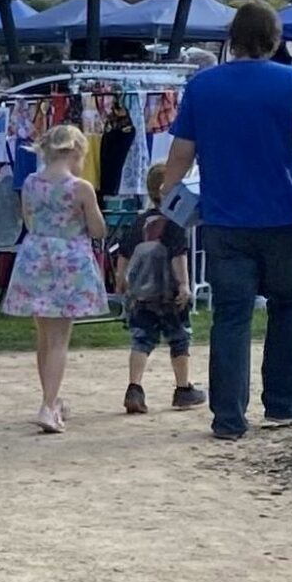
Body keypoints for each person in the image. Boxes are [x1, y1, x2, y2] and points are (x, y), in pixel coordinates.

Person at [159, 1, 292, 442]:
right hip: (286, 216)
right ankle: (283, 402)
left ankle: (228, 417)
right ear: (274, 40)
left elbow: (180, 153)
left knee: (231, 316)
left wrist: (167, 201)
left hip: (225, 219)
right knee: (288, 308)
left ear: (232, 39)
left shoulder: (203, 86)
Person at [1, 122, 107, 434]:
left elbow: (29, 220)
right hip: (68, 261)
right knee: (60, 339)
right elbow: (98, 229)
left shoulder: (31, 182)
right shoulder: (81, 188)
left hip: (35, 257)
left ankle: (51, 398)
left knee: (45, 338)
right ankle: (48, 406)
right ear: (75, 152)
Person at [111, 164, 207, 415]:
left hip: (141, 294)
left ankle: (134, 388)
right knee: (179, 339)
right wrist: (184, 285)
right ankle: (183, 388)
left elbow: (124, 253)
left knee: (141, 339)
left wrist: (121, 279)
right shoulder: (174, 223)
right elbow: (178, 255)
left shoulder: (139, 222)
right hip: (169, 294)